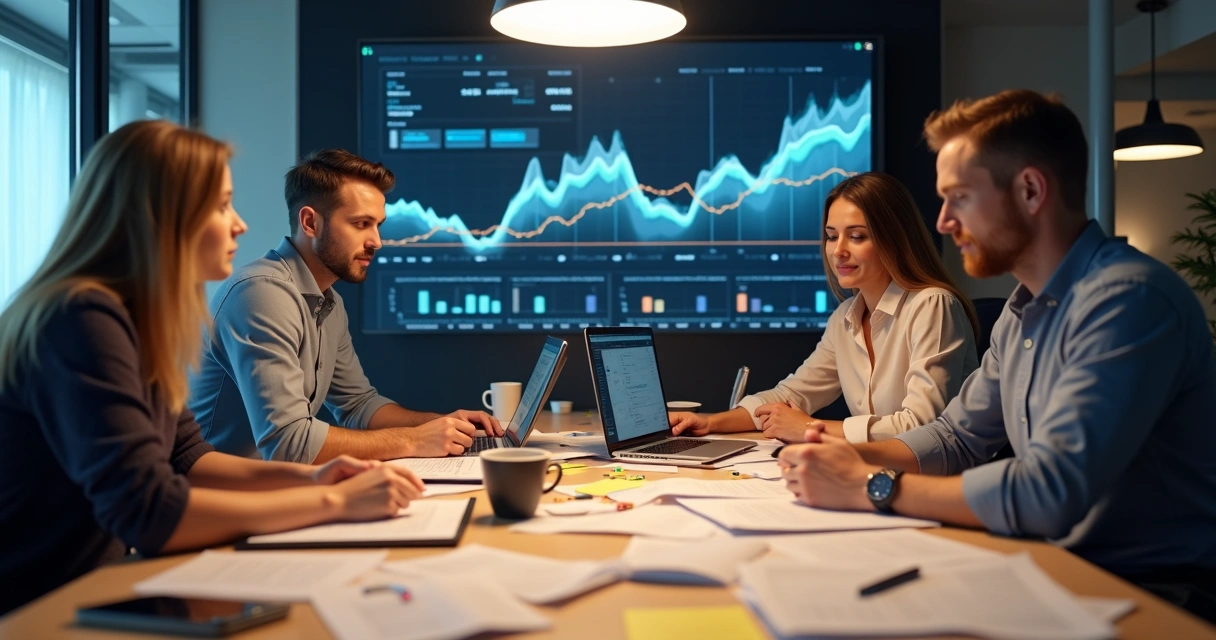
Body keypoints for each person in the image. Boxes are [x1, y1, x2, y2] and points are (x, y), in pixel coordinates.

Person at [778, 90, 1216, 620]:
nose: (943, 221)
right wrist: (841, 458)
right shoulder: (1022, 309)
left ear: (1030, 190)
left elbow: (1049, 490)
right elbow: (956, 437)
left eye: (959, 198)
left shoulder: (1127, 301)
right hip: (1058, 565)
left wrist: (870, 486)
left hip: (1155, 592)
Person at [0, 121, 424, 615]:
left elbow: (188, 456)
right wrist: (336, 503)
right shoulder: (81, 318)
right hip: (43, 608)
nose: (239, 224)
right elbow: (148, 511)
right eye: (221, 206)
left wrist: (316, 481)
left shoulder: (132, 317)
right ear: (159, 215)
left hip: (99, 587)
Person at [189, 149, 501, 464]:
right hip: (219, 490)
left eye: (377, 225)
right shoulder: (261, 293)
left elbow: (358, 406)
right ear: (310, 223)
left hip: (278, 482)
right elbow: (288, 443)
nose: (376, 241)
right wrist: (414, 440)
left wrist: (443, 425)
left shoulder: (328, 302)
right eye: (361, 223)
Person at [670, 172, 979, 444]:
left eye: (856, 236)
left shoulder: (932, 305)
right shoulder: (845, 318)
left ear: (895, 240)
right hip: (873, 472)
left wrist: (808, 428)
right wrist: (710, 422)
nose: (838, 251)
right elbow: (791, 395)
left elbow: (922, 427)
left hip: (931, 481)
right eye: (832, 237)